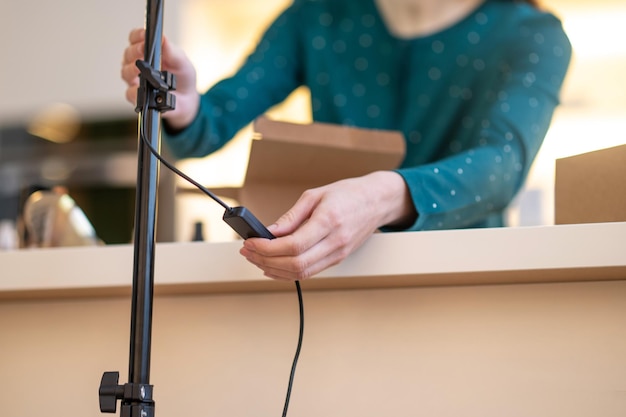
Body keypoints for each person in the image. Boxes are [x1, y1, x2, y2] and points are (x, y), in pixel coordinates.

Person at [121, 0, 571, 281]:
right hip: (332, 283)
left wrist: (378, 197)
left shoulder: (533, 35)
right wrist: (182, 106)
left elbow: (503, 165)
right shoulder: (316, 16)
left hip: (468, 284)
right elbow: (211, 122)